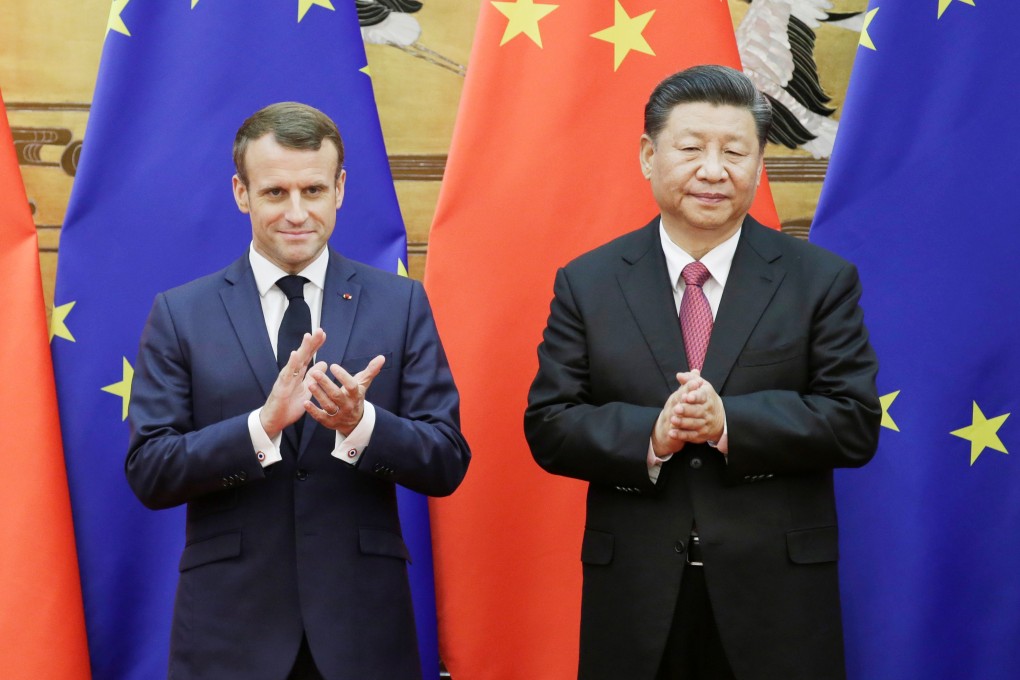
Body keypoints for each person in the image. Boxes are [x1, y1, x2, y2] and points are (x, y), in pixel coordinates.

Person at [524, 65, 881, 680]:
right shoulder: (589, 282)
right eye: (691, 149)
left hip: (778, 600)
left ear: (759, 161)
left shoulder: (819, 281)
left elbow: (854, 422)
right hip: (636, 596)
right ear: (647, 155)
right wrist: (652, 436)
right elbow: (551, 425)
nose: (713, 171)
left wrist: (729, 424)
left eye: (734, 151)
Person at [126, 102, 470, 680]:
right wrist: (260, 427)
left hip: (362, 631)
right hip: (228, 634)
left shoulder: (400, 303)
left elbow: (446, 461)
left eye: (313, 190)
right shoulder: (181, 314)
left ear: (340, 189)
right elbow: (151, 471)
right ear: (241, 192)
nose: (296, 213)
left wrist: (359, 426)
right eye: (274, 192)